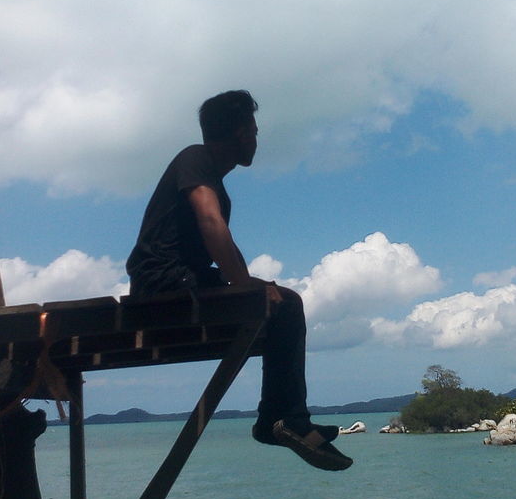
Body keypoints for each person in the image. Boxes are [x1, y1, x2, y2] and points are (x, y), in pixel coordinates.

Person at [127, 90, 352, 471]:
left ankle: (284, 418)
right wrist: (244, 287)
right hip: (163, 282)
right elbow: (211, 222)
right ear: (240, 133)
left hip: (182, 279)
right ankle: (281, 420)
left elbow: (220, 240)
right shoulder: (195, 159)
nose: (256, 140)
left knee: (280, 300)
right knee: (286, 303)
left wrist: (248, 283)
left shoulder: (209, 173)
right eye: (254, 131)